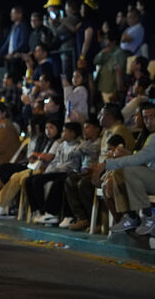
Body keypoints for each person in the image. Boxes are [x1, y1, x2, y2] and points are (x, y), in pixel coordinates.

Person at [97, 103, 155, 234]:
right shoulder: (145, 135)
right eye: (146, 118)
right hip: (149, 175)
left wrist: (108, 164)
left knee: (128, 170)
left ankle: (148, 215)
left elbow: (139, 159)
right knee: (120, 173)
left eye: (153, 117)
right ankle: (131, 216)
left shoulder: (153, 137)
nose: (149, 121)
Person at [25, 121, 82, 225]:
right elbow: (55, 160)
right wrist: (50, 170)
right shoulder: (61, 145)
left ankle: (52, 213)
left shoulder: (78, 147)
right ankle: (39, 210)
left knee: (57, 183)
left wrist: (56, 169)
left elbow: (71, 165)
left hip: (67, 172)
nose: (62, 133)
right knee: (31, 180)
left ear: (73, 133)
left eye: (65, 131)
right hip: (56, 170)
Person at [65, 117, 102, 231]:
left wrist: (81, 147)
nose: (85, 131)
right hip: (83, 171)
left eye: (88, 127)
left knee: (83, 184)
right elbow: (72, 154)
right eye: (84, 128)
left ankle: (95, 220)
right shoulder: (85, 143)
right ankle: (81, 217)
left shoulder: (100, 142)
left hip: (96, 172)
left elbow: (95, 152)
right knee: (70, 180)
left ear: (96, 129)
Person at [0, 6, 30, 82]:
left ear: (19, 14)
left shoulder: (24, 26)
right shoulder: (13, 27)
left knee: (16, 77)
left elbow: (23, 42)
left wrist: (13, 53)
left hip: (18, 59)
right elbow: (7, 42)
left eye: (13, 13)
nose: (11, 15)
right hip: (11, 58)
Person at [94, 31, 126, 103]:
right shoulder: (105, 51)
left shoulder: (119, 53)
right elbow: (95, 61)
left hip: (112, 89)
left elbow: (119, 71)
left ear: (113, 42)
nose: (105, 42)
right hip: (103, 86)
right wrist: (102, 53)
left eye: (106, 40)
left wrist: (117, 90)